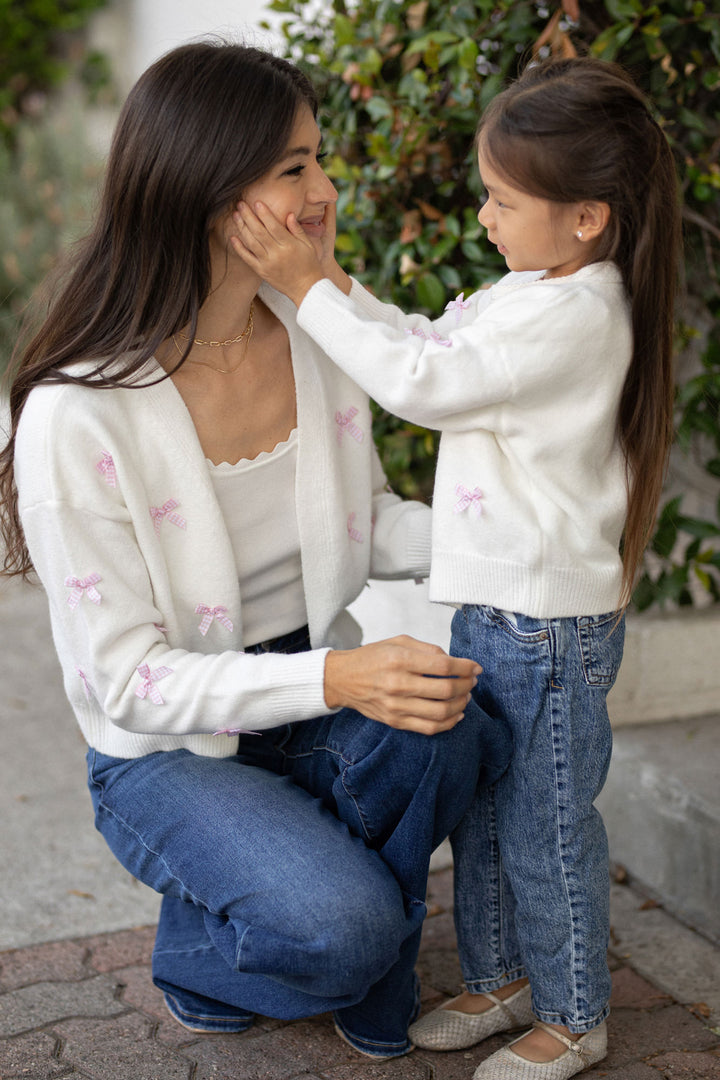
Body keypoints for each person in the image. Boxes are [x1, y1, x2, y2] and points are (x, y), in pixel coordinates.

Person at [0, 42, 513, 1061]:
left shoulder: (315, 337)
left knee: (461, 725)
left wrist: (521, 544)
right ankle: (217, 953)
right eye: (294, 169)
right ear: (206, 190)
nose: (324, 192)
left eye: (317, 161)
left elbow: (369, 525)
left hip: (310, 690)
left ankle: (362, 947)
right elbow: (132, 683)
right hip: (165, 753)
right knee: (337, 928)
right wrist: (340, 676)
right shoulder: (80, 412)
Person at [231, 56, 681, 1079]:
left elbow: (424, 385)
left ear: (587, 218)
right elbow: (427, 340)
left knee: (543, 828)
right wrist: (332, 282)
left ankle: (574, 1015)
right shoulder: (531, 287)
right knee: (483, 809)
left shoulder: (579, 314)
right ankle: (501, 979)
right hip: (494, 607)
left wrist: (304, 288)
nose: (482, 216)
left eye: (502, 199)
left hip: (548, 629)